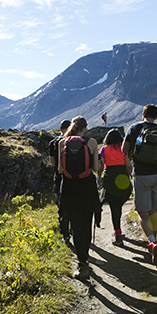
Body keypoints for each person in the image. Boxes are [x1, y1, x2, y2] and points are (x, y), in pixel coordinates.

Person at [122, 104, 157, 266]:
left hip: (141, 174)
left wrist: (129, 162)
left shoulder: (135, 128)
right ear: (156, 116)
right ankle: (154, 238)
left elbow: (124, 149)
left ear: (143, 114)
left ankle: (151, 242)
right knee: (154, 210)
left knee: (143, 212)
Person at [58, 116, 100, 281]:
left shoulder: (63, 142)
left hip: (69, 187)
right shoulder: (92, 143)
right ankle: (86, 257)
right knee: (86, 222)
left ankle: (82, 263)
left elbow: (61, 169)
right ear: (85, 128)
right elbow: (96, 168)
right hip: (87, 187)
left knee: (75, 224)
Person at [98, 129, 133, 246]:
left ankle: (118, 235)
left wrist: (98, 177)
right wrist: (133, 176)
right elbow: (128, 165)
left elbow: (101, 166)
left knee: (114, 208)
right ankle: (118, 232)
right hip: (123, 178)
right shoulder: (124, 150)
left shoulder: (104, 149)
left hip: (110, 179)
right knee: (119, 204)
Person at [49, 119, 72, 244]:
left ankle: (65, 234)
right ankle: (75, 230)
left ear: (60, 129)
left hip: (59, 176)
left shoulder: (54, 142)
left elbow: (52, 162)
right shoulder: (76, 142)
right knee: (74, 204)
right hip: (73, 177)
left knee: (62, 205)